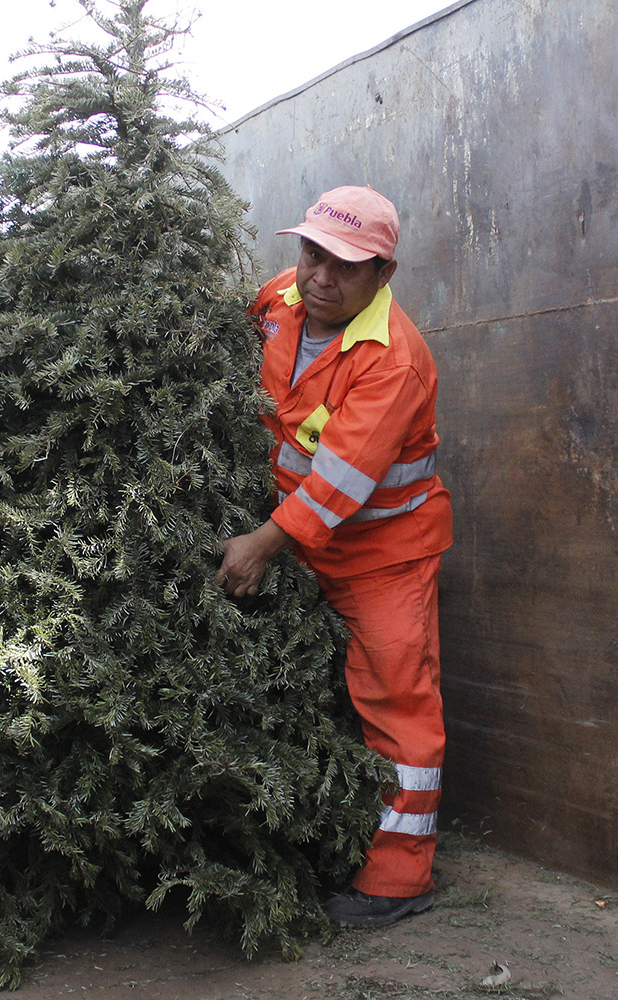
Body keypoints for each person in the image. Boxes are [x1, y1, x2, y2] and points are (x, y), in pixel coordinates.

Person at [215, 185, 453, 927]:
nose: (319, 276)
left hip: (382, 554)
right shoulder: (279, 298)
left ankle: (395, 881)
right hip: (291, 534)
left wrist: (261, 545)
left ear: (383, 274)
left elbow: (338, 483)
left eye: (344, 265)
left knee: (396, 699)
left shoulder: (394, 363)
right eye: (311, 253)